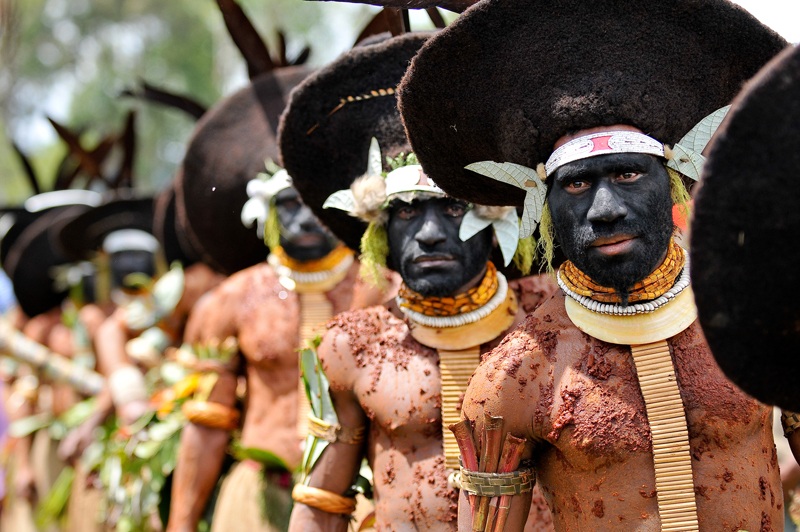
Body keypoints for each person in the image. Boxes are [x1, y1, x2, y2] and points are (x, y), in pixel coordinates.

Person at [397, 0, 787, 529]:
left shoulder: (763, 320)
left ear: (674, 184)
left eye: (627, 175)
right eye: (577, 184)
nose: (604, 210)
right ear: (545, 207)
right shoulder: (515, 376)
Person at [280, 33, 555, 531]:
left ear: (496, 225)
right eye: (406, 213)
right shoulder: (352, 345)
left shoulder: (548, 324)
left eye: (453, 209)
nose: (429, 235)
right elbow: (321, 500)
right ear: (381, 233)